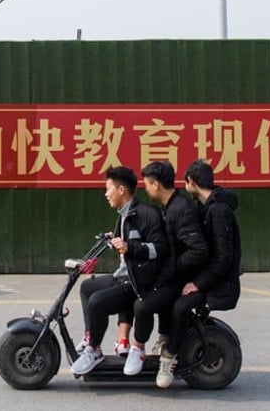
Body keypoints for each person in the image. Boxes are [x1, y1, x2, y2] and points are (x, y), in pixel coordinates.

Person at [70, 166, 169, 376]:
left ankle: (97, 351)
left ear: (121, 190)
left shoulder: (147, 215)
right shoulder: (123, 215)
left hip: (137, 283)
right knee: (88, 287)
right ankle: (91, 338)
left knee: (98, 302)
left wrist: (130, 247)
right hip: (123, 277)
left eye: (109, 189)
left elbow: (160, 249)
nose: (106, 194)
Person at [156, 159, 242, 389]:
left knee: (181, 306)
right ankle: (166, 339)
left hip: (219, 283)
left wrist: (198, 284)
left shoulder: (219, 211)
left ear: (191, 182)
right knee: (167, 292)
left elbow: (224, 258)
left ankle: (169, 357)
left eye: (186, 182)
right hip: (208, 277)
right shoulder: (204, 207)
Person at [130, 161, 210, 388]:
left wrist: (174, 267)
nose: (145, 189)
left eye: (146, 184)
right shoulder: (169, 207)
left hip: (182, 279)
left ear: (155, 184)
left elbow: (198, 250)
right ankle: (164, 339)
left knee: (144, 306)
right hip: (172, 276)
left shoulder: (181, 209)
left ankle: (169, 356)